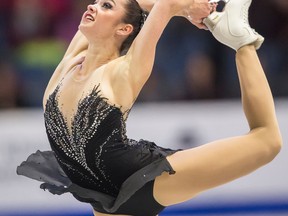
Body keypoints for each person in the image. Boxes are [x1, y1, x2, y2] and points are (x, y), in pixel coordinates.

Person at [17, 0, 282, 215]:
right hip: (103, 199)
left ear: (124, 30)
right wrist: (187, 9)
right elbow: (144, 6)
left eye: (106, 5)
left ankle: (241, 42)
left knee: (267, 141)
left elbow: (165, 5)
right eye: (97, 2)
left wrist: (185, 8)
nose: (93, 6)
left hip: (142, 180)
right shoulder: (70, 63)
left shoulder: (125, 70)